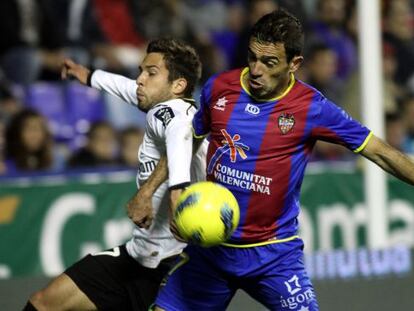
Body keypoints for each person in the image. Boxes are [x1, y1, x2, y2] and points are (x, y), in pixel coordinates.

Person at [147, 9, 414, 311]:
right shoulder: (220, 87)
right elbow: (184, 141)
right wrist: (149, 192)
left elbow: (381, 152)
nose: (257, 69)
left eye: (270, 62)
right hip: (212, 251)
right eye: (252, 57)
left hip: (274, 257)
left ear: (294, 64)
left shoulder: (312, 107)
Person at [24, 38, 206, 311]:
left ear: (178, 85)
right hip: (138, 256)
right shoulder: (166, 104)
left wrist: (156, 193)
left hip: (175, 265)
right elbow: (126, 89)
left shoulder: (176, 114)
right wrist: (88, 76)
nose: (140, 79)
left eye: (151, 73)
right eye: (141, 71)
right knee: (44, 303)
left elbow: (181, 139)